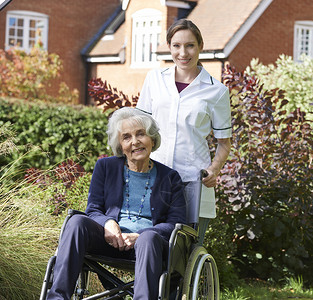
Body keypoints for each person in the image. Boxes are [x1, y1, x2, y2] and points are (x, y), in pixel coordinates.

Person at [47, 107, 186, 300]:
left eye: (141, 134)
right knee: (77, 222)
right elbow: (93, 209)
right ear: (120, 146)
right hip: (108, 240)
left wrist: (141, 235)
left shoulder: (170, 178)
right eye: (126, 137)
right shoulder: (105, 167)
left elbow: (176, 223)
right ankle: (57, 298)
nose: (135, 142)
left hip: (147, 248)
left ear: (152, 139)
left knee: (148, 239)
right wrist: (108, 223)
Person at [136, 19, 232, 244]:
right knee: (147, 243)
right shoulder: (154, 79)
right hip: (153, 176)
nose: (183, 52)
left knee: (184, 252)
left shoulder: (217, 91)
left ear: (200, 46)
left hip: (192, 182)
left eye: (190, 45)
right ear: (169, 46)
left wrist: (214, 169)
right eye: (177, 45)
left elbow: (224, 142)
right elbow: (139, 127)